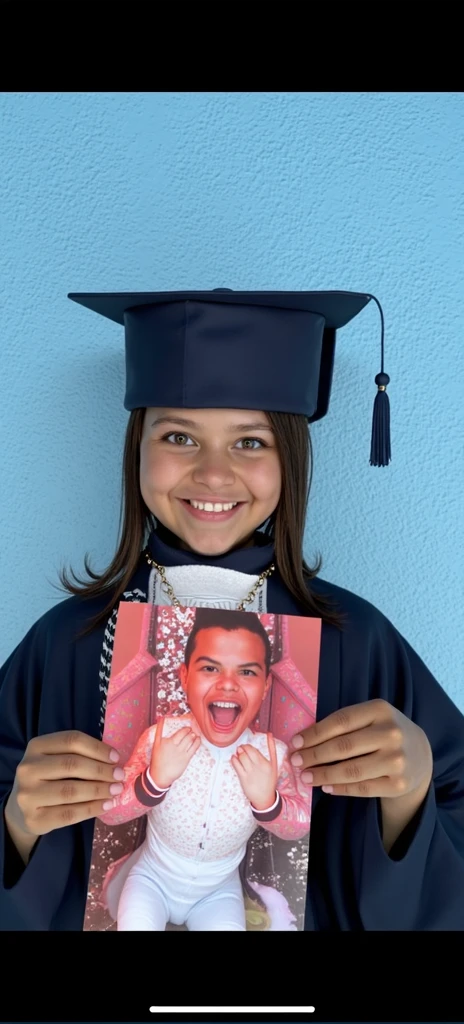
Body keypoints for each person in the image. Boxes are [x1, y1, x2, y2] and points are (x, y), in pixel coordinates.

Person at [1, 287, 463, 933]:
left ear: (292, 459)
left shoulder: (357, 644)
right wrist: (18, 826)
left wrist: (410, 800)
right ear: (137, 445)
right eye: (180, 435)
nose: (213, 475)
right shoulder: (68, 642)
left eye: (250, 442)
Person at [98, 607, 311, 931]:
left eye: (247, 672)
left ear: (266, 685)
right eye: (210, 668)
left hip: (217, 893)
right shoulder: (161, 736)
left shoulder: (274, 755)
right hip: (151, 879)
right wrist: (154, 780)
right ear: (185, 676)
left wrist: (268, 802)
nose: (227, 685)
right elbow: (109, 812)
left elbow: (300, 826)